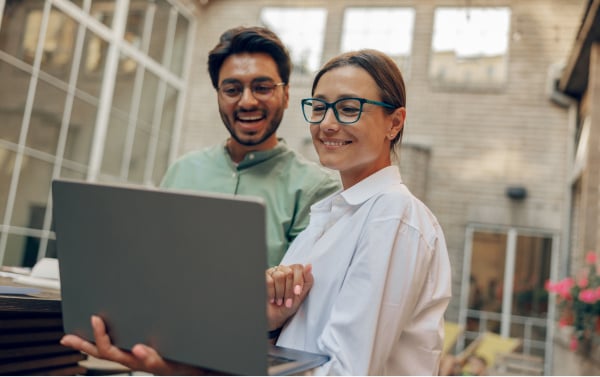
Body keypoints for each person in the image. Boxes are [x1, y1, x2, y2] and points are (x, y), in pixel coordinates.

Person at [61, 49, 452, 375]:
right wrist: (267, 324)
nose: (328, 124)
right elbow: (295, 355)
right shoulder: (328, 219)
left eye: (349, 108)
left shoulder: (393, 216)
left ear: (394, 122)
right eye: (319, 108)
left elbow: (345, 370)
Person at [160, 26, 341, 267]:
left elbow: (308, 293)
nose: (247, 102)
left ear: (286, 95)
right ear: (218, 96)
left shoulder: (318, 191)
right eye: (232, 90)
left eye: (262, 88)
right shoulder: (181, 171)